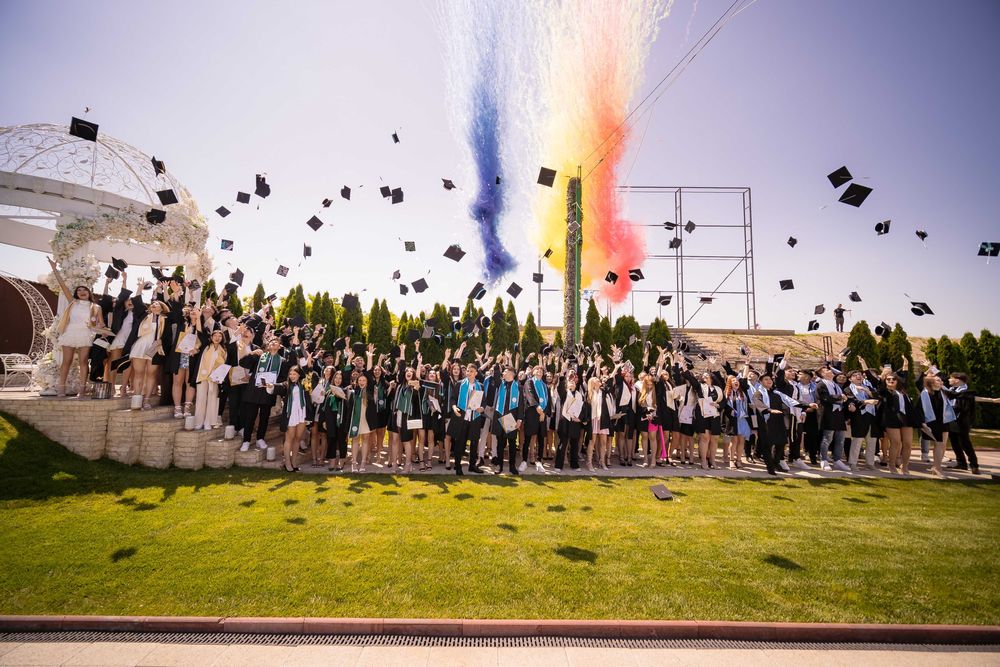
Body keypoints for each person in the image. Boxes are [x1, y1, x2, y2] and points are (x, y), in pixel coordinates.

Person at [47, 257, 102, 397]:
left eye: (85, 290)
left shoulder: (95, 307)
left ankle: (82, 390)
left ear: (89, 293)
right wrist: (54, 268)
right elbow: (63, 285)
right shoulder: (73, 302)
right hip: (70, 332)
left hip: (85, 334)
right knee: (67, 361)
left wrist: (102, 329)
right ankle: (61, 388)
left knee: (83, 362)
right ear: (76, 293)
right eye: (79, 290)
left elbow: (100, 324)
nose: (82, 292)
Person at [238, 336, 295, 451]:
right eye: (271, 342)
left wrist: (275, 384)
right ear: (268, 345)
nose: (273, 343)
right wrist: (252, 353)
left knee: (264, 418)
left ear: (280, 346)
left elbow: (284, 379)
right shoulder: (259, 356)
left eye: (276, 342)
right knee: (250, 417)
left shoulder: (282, 361)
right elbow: (242, 363)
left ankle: (260, 439)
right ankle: (246, 441)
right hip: (254, 391)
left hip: (268, 392)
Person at [272, 366, 308, 472]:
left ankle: (294, 461)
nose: (292, 376)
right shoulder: (286, 385)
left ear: (299, 375)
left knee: (298, 438)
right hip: (291, 414)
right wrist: (270, 386)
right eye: (290, 374)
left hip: (302, 413)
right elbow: (277, 387)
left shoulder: (304, 385)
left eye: (294, 374)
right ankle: (287, 462)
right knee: (289, 438)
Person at [918, 374, 956, 477]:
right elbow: (920, 409)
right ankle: (937, 468)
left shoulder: (943, 392)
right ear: (931, 382)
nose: (942, 382)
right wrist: (923, 423)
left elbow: (955, 395)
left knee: (941, 444)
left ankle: (936, 467)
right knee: (938, 444)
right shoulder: (925, 393)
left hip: (943, 421)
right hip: (932, 421)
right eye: (939, 380)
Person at [817, 366, 850, 471]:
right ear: (822, 374)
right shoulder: (821, 384)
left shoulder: (836, 385)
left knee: (841, 439)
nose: (830, 371)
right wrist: (840, 397)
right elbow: (825, 398)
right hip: (828, 413)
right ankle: (824, 459)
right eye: (826, 370)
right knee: (828, 438)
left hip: (839, 413)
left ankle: (837, 460)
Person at [191, 328, 226, 430]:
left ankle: (209, 422)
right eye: (215, 336)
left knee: (212, 399)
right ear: (211, 337)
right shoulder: (205, 347)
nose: (217, 338)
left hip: (214, 378)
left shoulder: (223, 350)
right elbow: (200, 333)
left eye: (220, 336)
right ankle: (198, 422)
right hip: (203, 375)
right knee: (201, 399)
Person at [492, 364, 523, 474]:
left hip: (510, 418)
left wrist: (519, 419)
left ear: (511, 373)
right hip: (500, 415)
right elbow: (496, 376)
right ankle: (499, 465)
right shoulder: (501, 384)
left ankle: (512, 466)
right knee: (500, 442)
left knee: (512, 443)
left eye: (505, 372)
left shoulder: (518, 386)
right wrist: (497, 364)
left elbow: (520, 404)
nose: (503, 373)